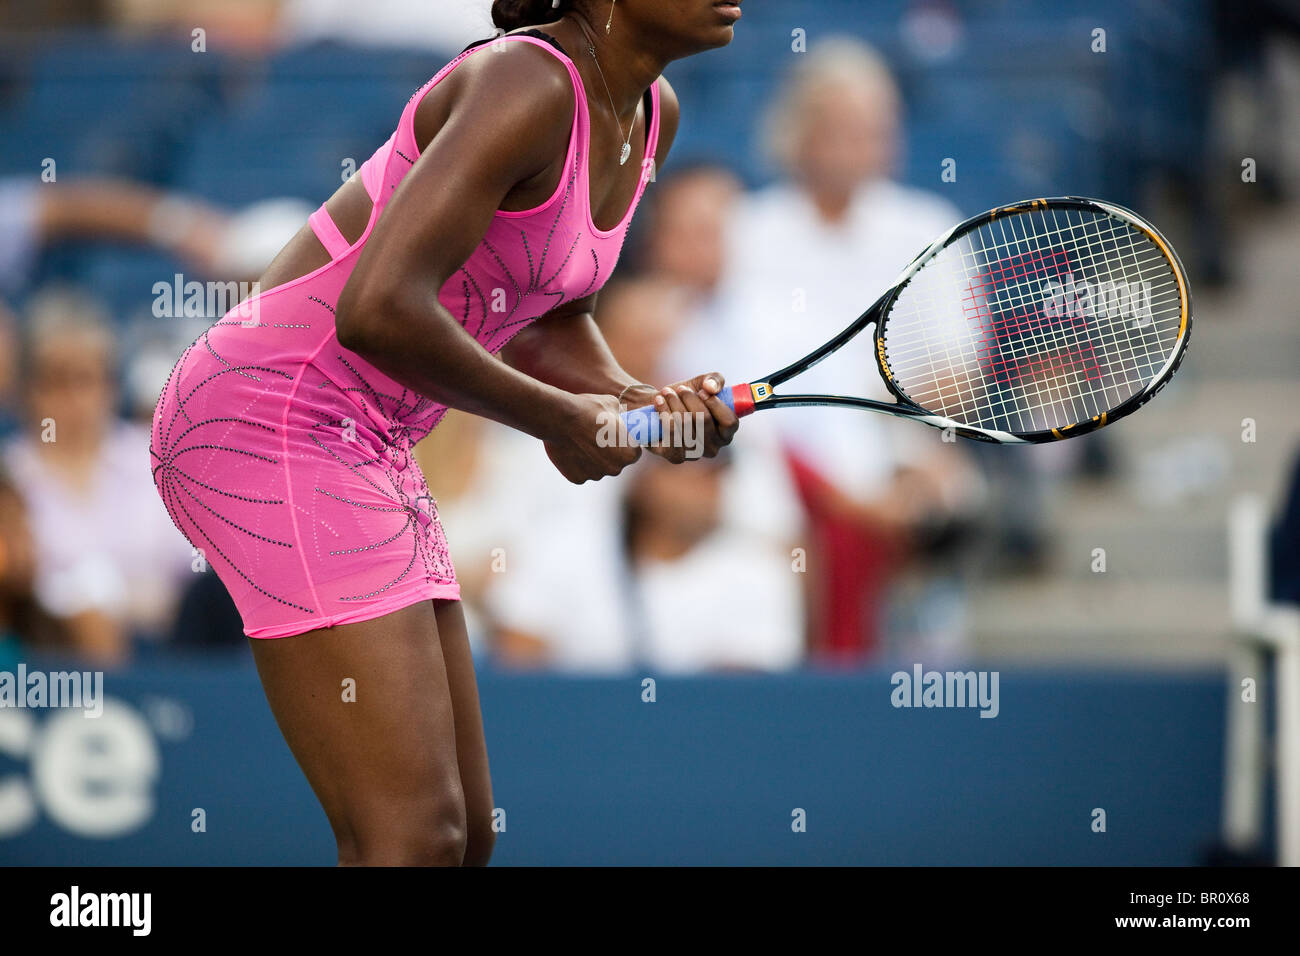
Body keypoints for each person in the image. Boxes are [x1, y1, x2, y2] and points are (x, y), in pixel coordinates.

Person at [150, 0, 743, 867]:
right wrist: (558, 417)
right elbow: (377, 308)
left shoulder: (654, 116)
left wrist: (636, 403)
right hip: (267, 414)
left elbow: (546, 306)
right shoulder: (526, 82)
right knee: (411, 837)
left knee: (462, 841)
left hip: (366, 437)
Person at [5, 289, 192, 664]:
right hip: (50, 657)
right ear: (26, 391)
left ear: (111, 387)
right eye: (55, 381)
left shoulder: (155, 460)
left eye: (87, 380)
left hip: (171, 649)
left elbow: (191, 571)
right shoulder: (9, 476)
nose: (74, 400)